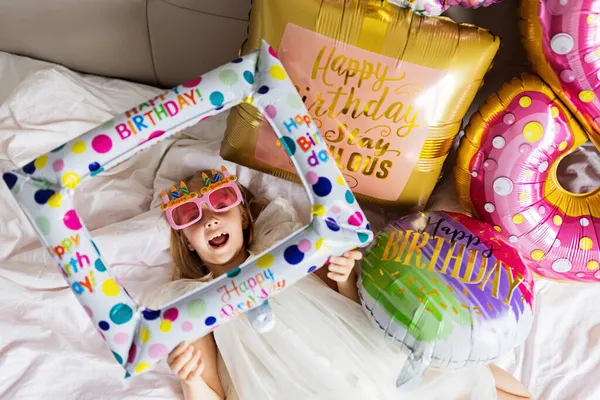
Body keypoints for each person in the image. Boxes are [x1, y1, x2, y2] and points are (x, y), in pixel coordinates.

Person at [144, 167, 533, 400]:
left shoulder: (279, 242)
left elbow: (341, 302)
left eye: (220, 202)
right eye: (190, 216)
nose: (209, 219)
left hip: (352, 350)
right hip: (284, 387)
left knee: (468, 385)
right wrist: (190, 379)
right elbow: (213, 389)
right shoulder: (194, 301)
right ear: (187, 242)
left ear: (245, 216)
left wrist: (344, 278)